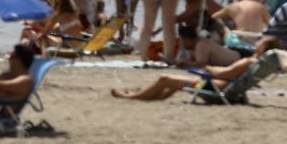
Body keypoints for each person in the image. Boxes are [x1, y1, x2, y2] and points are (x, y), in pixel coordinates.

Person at [110, 51, 271, 101]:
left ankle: (133, 97)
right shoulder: (256, 64)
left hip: (215, 88)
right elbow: (227, 74)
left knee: (164, 79)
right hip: (224, 88)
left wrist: (206, 66)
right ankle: (153, 96)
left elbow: (222, 73)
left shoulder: (247, 62)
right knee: (173, 83)